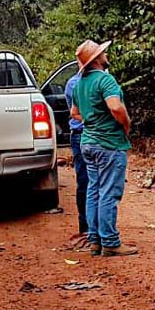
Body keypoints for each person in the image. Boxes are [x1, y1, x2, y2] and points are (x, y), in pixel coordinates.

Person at [70, 40, 137, 257]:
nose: (105, 54)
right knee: (109, 191)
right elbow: (115, 107)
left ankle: (95, 240)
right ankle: (110, 241)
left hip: (87, 142)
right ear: (97, 59)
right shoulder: (105, 80)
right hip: (109, 143)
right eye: (102, 52)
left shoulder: (79, 83)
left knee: (94, 190)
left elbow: (74, 113)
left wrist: (91, 121)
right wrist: (125, 124)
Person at [65, 67, 89, 242]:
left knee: (90, 183)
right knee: (87, 182)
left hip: (83, 134)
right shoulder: (76, 83)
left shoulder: (75, 83)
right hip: (83, 133)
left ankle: (92, 228)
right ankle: (87, 228)